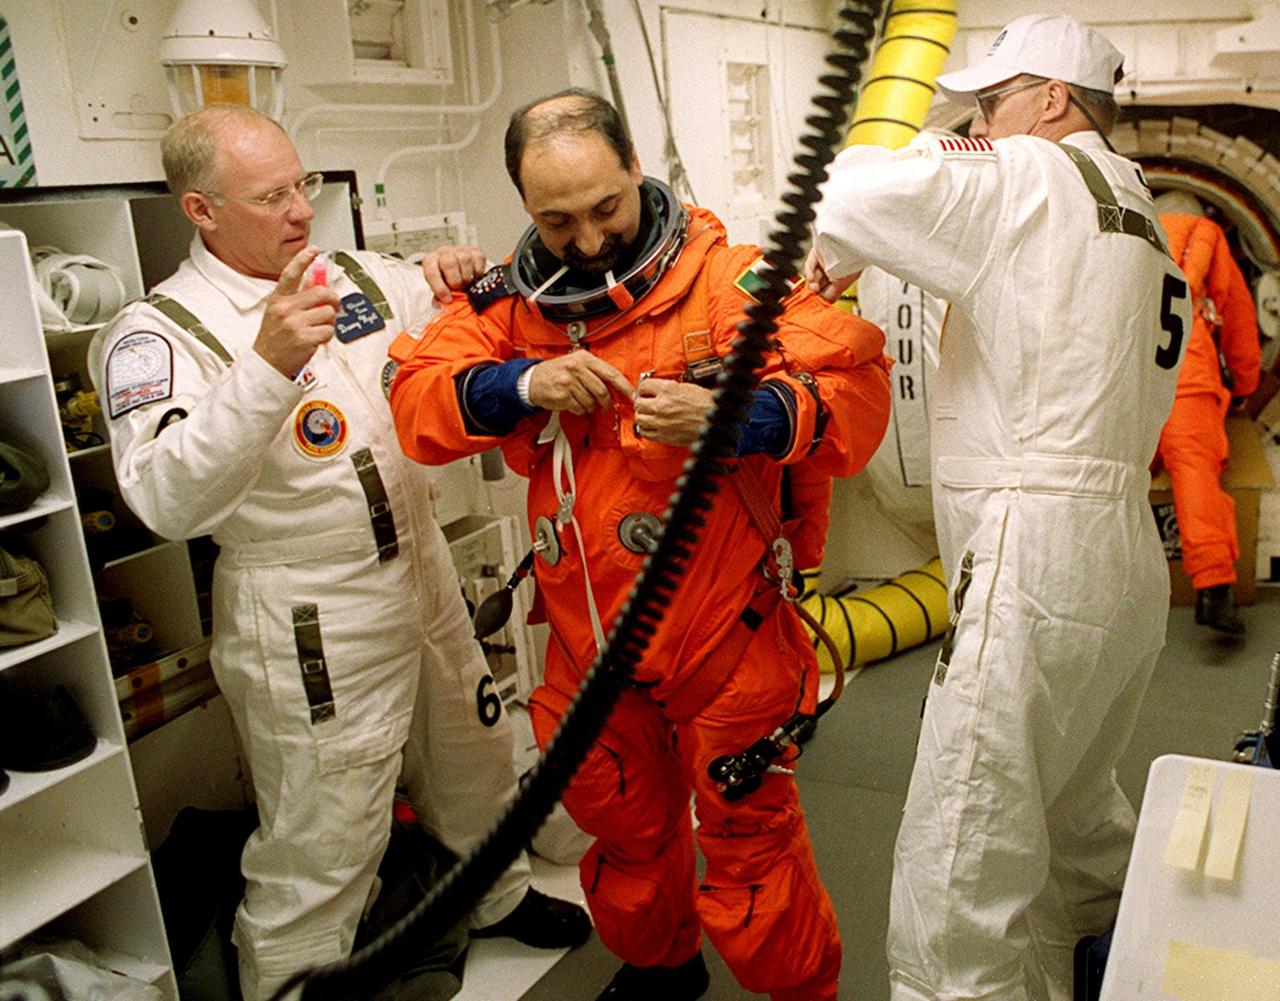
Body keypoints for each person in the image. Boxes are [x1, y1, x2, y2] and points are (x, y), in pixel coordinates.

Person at [391, 88, 892, 1001]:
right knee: (620, 823)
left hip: (722, 634)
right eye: (557, 220)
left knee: (749, 839)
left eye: (605, 209)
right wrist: (524, 380)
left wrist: (737, 415)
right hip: (589, 642)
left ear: (635, 168)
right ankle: (661, 970)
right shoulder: (514, 303)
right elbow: (419, 403)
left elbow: (855, 397)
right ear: (524, 206)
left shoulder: (732, 281)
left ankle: (803, 992)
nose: (585, 243)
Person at [88, 104, 589, 1001]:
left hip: (419, 565)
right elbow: (165, 498)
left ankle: (498, 894)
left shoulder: (350, 273)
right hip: (308, 603)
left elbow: (451, 320)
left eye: (303, 184)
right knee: (328, 823)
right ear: (201, 210)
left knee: (473, 754)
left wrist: (453, 275)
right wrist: (267, 365)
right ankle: (290, 980)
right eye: (271, 195)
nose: (299, 210)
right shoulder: (157, 335)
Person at [806, 14, 1191, 1001]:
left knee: (957, 869)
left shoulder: (1026, 172)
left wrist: (839, 244)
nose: (982, 117)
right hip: (1118, 559)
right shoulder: (1141, 213)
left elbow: (845, 185)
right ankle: (1122, 966)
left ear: (1050, 99)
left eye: (991, 99)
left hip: (1031, 551)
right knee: (1070, 817)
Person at [1153, 202, 1261, 634]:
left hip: (1122, 371)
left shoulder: (1121, 230)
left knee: (1109, 472)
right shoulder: (1207, 236)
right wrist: (1247, 386)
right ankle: (1214, 590)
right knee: (1195, 468)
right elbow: (1237, 321)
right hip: (1186, 367)